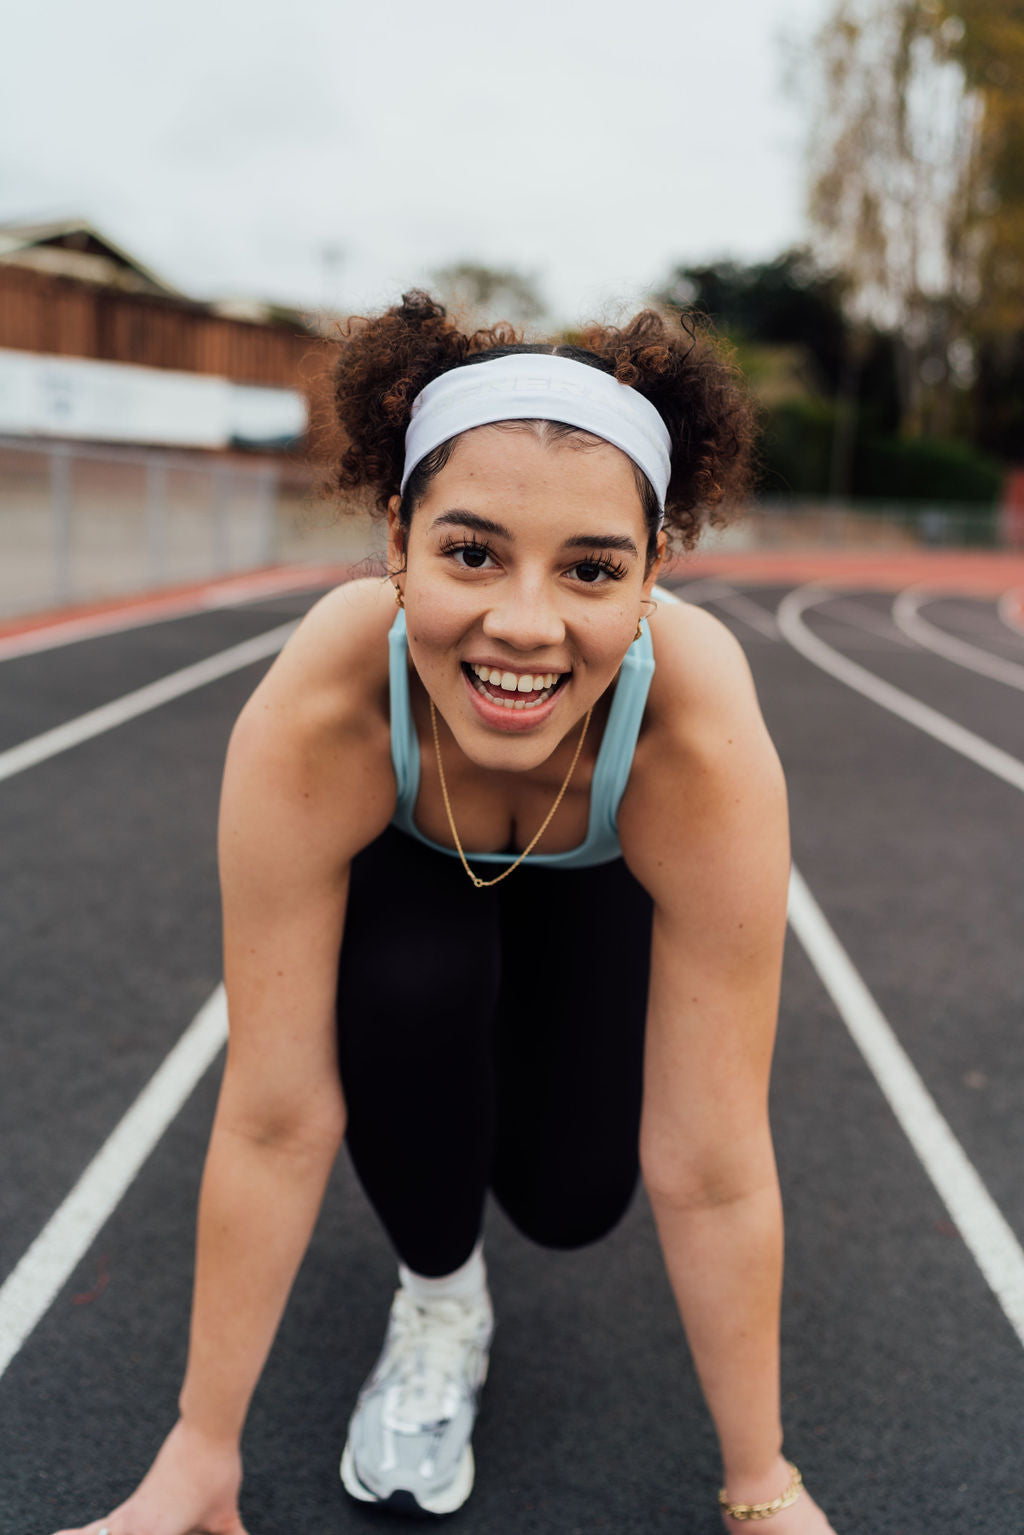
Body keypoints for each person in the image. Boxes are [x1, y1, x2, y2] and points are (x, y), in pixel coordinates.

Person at [55, 292, 838, 1534]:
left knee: (576, 1197)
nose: (524, 623)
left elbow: (713, 1162)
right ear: (397, 537)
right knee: (414, 999)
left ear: (654, 575)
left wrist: (764, 1488)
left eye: (591, 567)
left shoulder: (694, 731)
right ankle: (438, 1295)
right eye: (471, 552)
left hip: (589, 881)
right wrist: (199, 1453)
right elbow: (271, 1117)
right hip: (412, 877)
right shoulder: (327, 704)